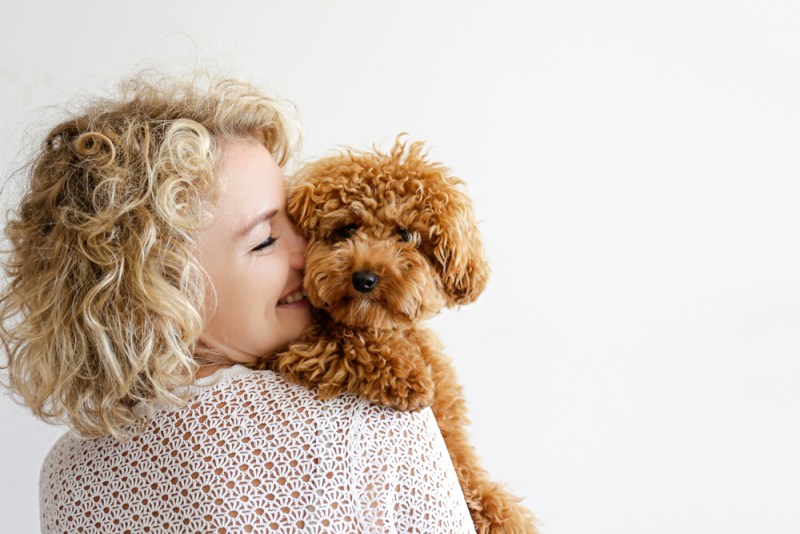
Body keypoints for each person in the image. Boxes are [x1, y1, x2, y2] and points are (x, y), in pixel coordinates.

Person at [0, 72, 475, 533]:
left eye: (300, 223)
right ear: (162, 290)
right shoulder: (368, 419)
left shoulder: (67, 475)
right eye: (266, 239)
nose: (309, 253)